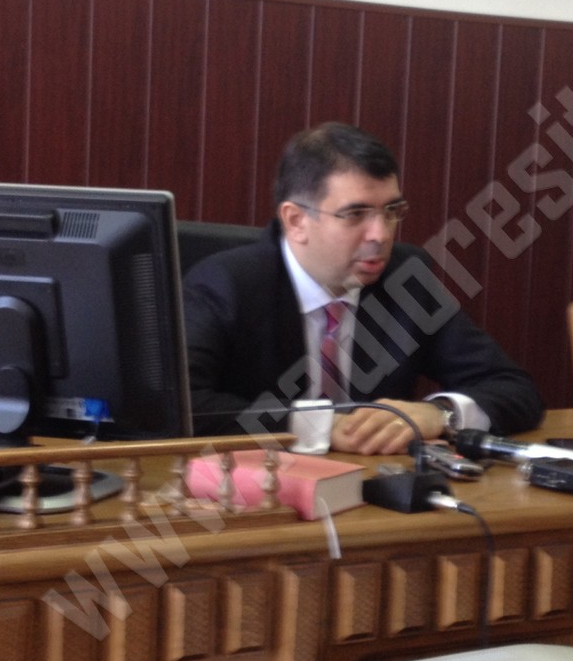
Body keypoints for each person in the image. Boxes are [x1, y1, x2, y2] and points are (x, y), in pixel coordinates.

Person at [183, 122, 544, 454]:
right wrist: (318, 426)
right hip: (255, 488)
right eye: (355, 215)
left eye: (391, 211)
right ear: (296, 221)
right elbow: (184, 407)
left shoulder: (406, 280)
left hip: (378, 486)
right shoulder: (226, 285)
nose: (381, 235)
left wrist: (441, 414)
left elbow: (514, 387)